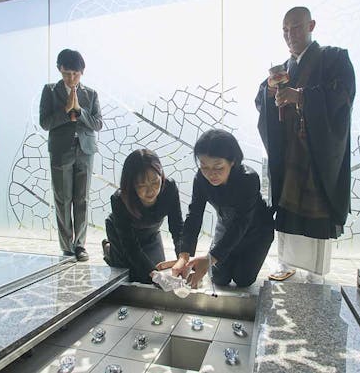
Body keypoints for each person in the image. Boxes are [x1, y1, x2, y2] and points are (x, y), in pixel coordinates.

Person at [255, 7, 356, 282]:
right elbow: (261, 101)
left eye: (296, 27)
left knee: (316, 212)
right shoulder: (283, 69)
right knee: (286, 211)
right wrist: (269, 91)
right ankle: (285, 263)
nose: (290, 35)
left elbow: (342, 96)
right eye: (285, 30)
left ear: (311, 25)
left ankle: (315, 271)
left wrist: (300, 97)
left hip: (316, 153)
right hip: (288, 152)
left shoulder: (334, 58)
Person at [171, 129, 274, 288]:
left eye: (218, 167)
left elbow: (241, 223)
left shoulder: (248, 179)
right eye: (204, 166)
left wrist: (211, 258)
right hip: (226, 227)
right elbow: (194, 215)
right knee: (219, 278)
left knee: (243, 279)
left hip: (256, 232)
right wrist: (183, 256)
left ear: (232, 161)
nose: (211, 174)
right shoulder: (200, 178)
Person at [39, 49, 103, 261]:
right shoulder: (49, 90)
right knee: (63, 198)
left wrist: (80, 111)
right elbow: (45, 122)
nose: (71, 78)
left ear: (82, 72)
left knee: (82, 198)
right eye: (67, 73)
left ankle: (80, 246)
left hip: (85, 151)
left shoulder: (91, 94)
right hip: (60, 151)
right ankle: (67, 246)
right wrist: (67, 112)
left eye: (75, 74)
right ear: (60, 70)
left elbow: (98, 124)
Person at [103, 149, 184, 284]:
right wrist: (152, 274)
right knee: (133, 276)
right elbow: (130, 246)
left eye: (154, 181)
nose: (151, 190)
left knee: (158, 269)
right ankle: (109, 249)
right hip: (122, 236)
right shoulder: (119, 199)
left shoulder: (169, 188)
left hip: (150, 233)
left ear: (161, 175)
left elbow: (177, 227)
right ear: (131, 184)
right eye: (141, 184)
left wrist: (182, 259)